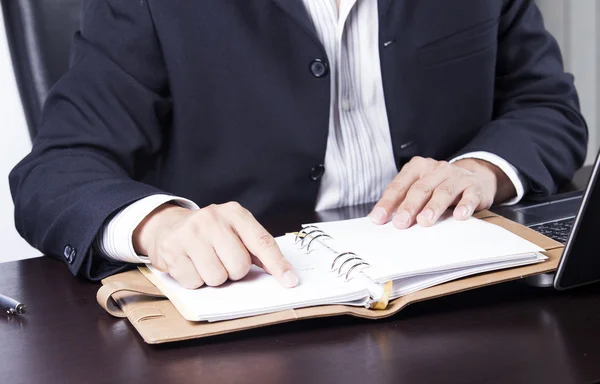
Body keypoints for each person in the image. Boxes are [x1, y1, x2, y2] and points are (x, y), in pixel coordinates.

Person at [9, 0, 587, 290]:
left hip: (458, 288)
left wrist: (482, 169)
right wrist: (160, 227)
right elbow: (56, 169)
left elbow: (546, 105)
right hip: (259, 304)